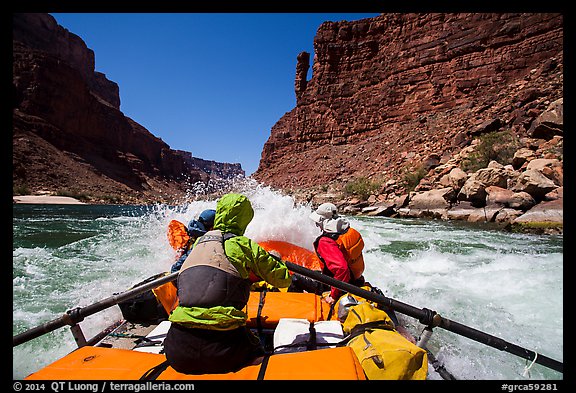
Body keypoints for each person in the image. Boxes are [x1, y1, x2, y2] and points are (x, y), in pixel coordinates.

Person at [163, 193, 292, 374]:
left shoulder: (198, 242)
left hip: (177, 349)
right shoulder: (243, 244)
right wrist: (276, 261)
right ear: (244, 219)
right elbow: (283, 279)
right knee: (261, 353)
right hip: (224, 350)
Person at [308, 203, 366, 306]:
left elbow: (342, 269)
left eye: (318, 223)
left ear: (323, 222)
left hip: (338, 286)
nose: (318, 226)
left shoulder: (326, 241)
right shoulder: (349, 231)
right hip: (355, 281)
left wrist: (333, 296)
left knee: (295, 279)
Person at [170, 209, 216, 273]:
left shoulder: (193, 229)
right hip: (181, 269)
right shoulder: (202, 241)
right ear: (212, 227)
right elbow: (176, 269)